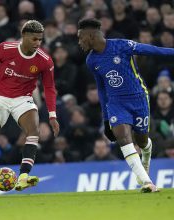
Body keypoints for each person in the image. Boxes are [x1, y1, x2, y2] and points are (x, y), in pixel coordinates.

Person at [0, 20, 60, 197]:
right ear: (24, 36)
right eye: (34, 39)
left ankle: (23, 176)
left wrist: (52, 115)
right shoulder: (5, 49)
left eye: (40, 40)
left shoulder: (44, 60)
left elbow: (50, 88)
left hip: (23, 100)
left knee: (33, 131)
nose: (38, 43)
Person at [77, 18, 174, 193]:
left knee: (142, 140)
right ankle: (147, 182)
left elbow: (152, 50)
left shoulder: (121, 45)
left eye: (80, 38)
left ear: (90, 36)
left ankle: (146, 151)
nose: (79, 42)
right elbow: (101, 89)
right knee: (123, 138)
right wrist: (106, 119)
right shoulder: (91, 61)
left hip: (138, 98)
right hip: (116, 102)